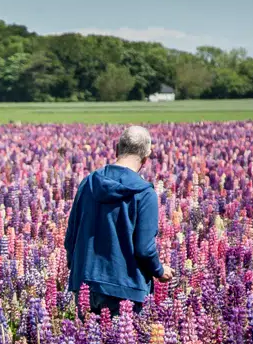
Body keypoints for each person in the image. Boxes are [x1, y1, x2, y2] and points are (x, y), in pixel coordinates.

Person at [65, 126, 173, 316]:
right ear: (146, 158)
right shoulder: (144, 194)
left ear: (117, 149)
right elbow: (144, 248)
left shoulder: (88, 183)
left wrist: (78, 272)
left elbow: (71, 237)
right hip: (125, 289)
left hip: (85, 285)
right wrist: (159, 270)